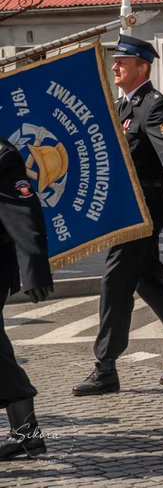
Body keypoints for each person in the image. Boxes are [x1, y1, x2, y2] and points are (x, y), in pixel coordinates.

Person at [73, 36, 163, 396]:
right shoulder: (121, 107)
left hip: (145, 209)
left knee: (114, 281)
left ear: (142, 67)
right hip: (126, 206)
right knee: (148, 280)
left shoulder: (154, 106)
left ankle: (105, 368)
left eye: (122, 61)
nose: (114, 66)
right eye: (114, 61)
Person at [0, 137, 54, 460]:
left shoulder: (3, 157)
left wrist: (34, 268)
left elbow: (24, 213)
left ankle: (28, 433)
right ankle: (27, 433)